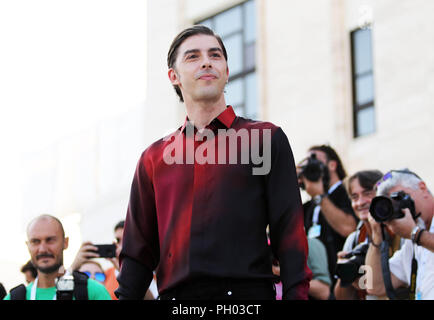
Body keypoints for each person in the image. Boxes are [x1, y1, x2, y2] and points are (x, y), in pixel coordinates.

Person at [115, 25, 311, 300]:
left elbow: (290, 234)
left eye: (215, 55)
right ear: (174, 76)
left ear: (227, 72)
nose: (207, 61)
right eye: (193, 56)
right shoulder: (153, 158)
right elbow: (137, 253)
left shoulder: (265, 138)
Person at [3, 215, 111, 300]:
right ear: (28, 246)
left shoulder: (92, 292)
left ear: (65, 242)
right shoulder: (14, 297)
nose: (43, 249)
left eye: (50, 240)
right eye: (35, 241)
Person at [365, 169, 434, 300]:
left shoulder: (416, 235)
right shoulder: (412, 242)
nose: (402, 208)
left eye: (401, 198)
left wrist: (416, 234)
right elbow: (374, 286)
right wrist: (377, 238)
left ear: (422, 188)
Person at [299, 145, 357, 294]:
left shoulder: (350, 193)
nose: (310, 167)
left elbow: (348, 228)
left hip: (344, 285)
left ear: (332, 165)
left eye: (314, 161)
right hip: (317, 286)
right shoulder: (309, 205)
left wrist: (320, 196)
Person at [334, 170, 400, 300]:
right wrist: (346, 275)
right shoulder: (355, 240)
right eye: (354, 197)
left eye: (367, 193)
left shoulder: (400, 232)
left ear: (383, 194)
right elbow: (342, 297)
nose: (360, 202)